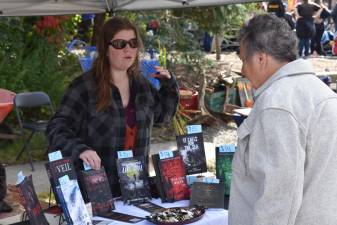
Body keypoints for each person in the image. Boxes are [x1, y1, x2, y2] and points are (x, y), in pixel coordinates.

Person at [46, 17, 179, 197]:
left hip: (135, 188)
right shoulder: (84, 87)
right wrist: (81, 149)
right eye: (119, 43)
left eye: (133, 43)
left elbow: (163, 116)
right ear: (105, 49)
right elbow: (56, 127)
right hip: (97, 189)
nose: (128, 49)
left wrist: (169, 85)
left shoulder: (142, 85)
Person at [229, 14, 337, 225]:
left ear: (261, 58)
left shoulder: (277, 104)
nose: (243, 70)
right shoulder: (319, 91)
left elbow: (278, 196)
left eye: (244, 60)